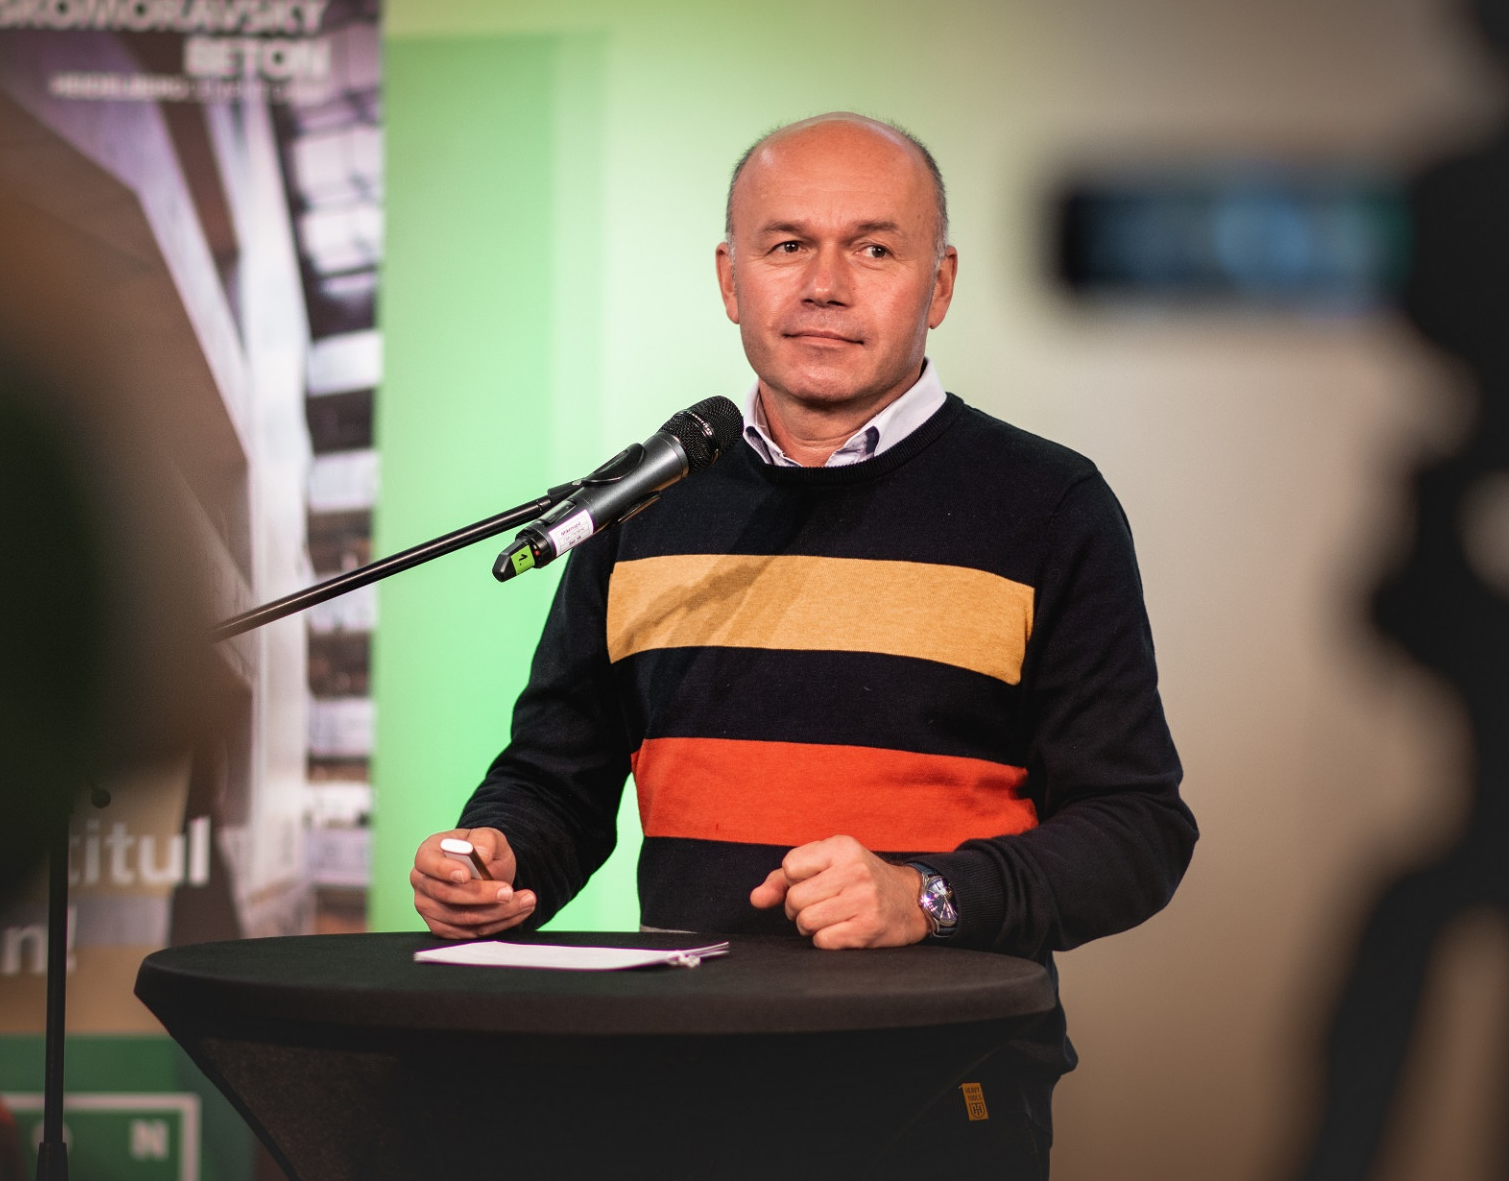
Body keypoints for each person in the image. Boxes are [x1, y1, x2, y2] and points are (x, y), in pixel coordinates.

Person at [409, 112, 1198, 1173]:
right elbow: (556, 781)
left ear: (939, 285)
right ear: (731, 279)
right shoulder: (642, 505)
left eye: (873, 248)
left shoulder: (1048, 506)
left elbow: (1139, 829)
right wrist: (498, 860)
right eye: (787, 245)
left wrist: (926, 896)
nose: (824, 284)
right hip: (675, 1087)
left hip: (938, 1090)